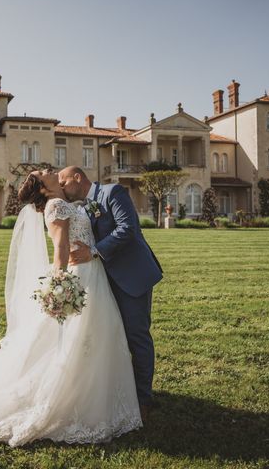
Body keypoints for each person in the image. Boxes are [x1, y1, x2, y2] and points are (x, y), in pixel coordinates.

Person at [0, 169, 142, 446]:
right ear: (42, 188)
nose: (50, 171)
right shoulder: (55, 206)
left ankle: (100, 394)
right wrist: (60, 284)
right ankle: (73, 398)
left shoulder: (64, 203)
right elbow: (60, 248)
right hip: (81, 276)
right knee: (78, 338)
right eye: (44, 173)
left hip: (94, 273)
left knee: (94, 337)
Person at [58, 166, 163, 422]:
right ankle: (121, 392)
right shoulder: (82, 206)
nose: (62, 187)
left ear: (77, 178)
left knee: (136, 337)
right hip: (103, 282)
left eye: (63, 182)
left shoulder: (112, 192)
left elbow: (127, 228)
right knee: (112, 339)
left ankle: (143, 400)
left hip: (131, 276)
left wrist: (94, 251)